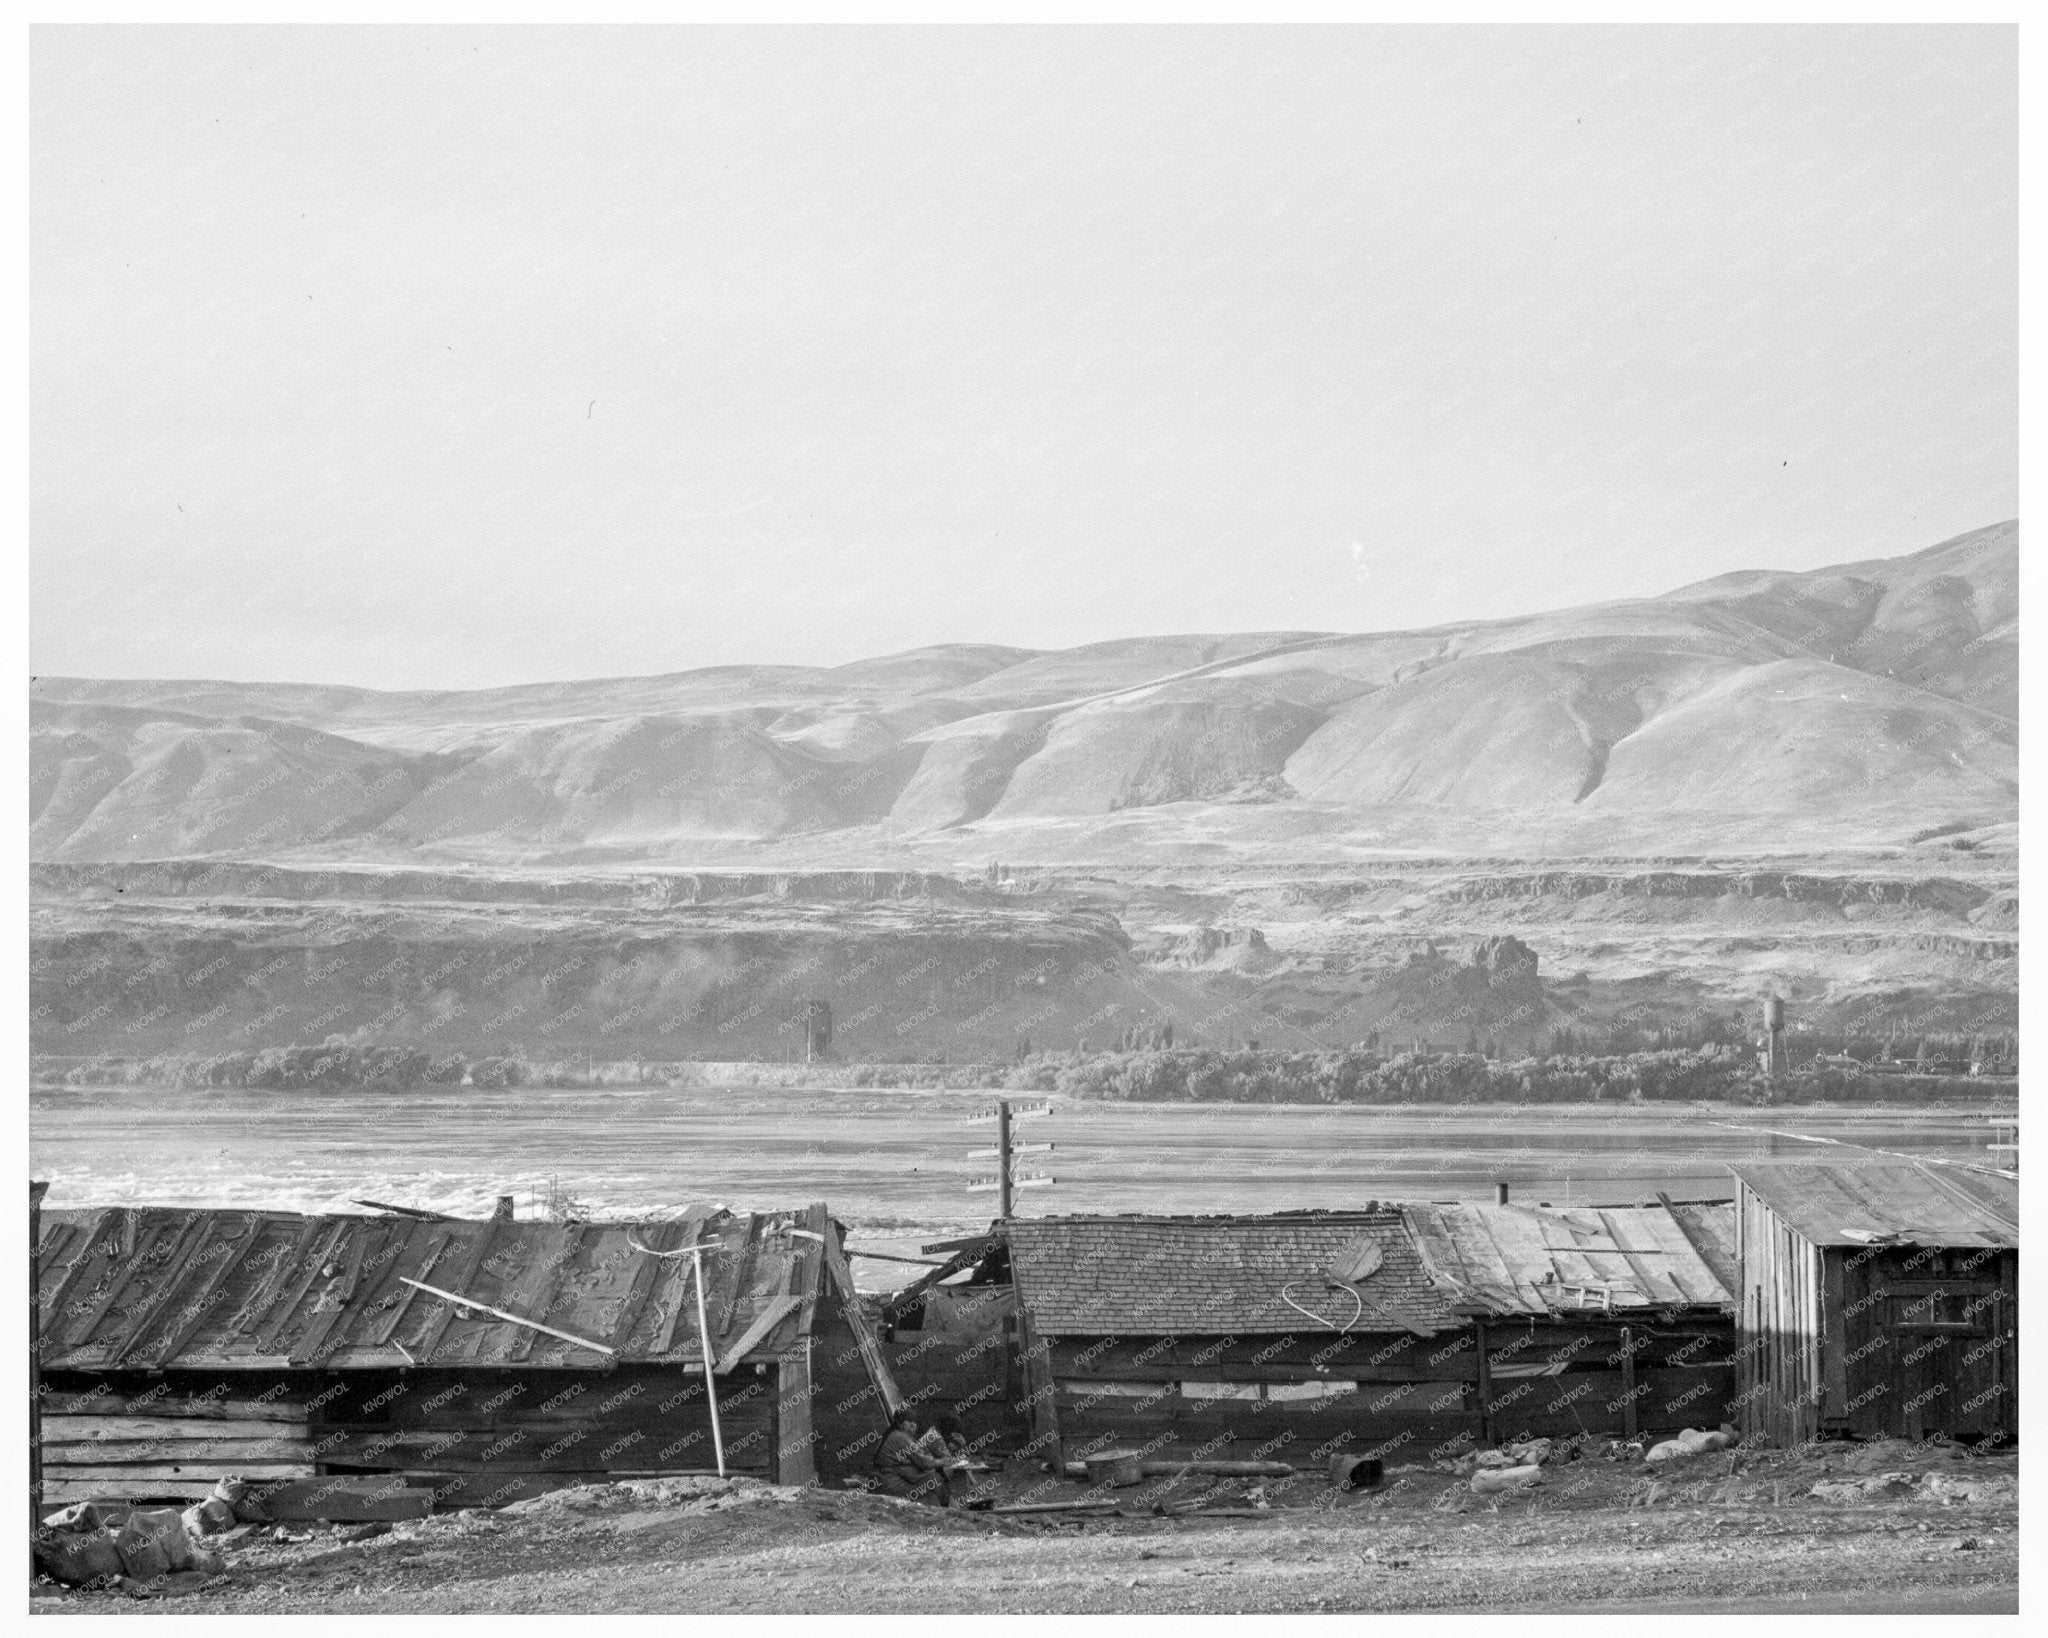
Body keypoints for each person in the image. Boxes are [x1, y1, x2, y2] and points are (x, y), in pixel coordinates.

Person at [872, 1408, 950, 1505]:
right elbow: (924, 1463)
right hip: (890, 1484)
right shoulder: (900, 1437)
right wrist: (944, 1461)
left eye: (914, 1422)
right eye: (909, 1421)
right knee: (935, 1479)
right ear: (900, 1423)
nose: (913, 1425)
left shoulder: (891, 1435)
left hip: (882, 1481)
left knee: (930, 1484)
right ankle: (947, 1510)